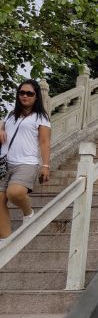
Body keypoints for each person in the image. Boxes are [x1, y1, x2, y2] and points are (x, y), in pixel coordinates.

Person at [0, 80, 51, 238]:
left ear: (36, 96)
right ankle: (6, 242)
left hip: (26, 163)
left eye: (29, 93)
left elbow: (44, 142)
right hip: (4, 162)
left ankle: (29, 214)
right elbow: (2, 124)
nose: (25, 96)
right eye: (21, 92)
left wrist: (45, 165)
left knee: (15, 193)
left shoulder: (41, 117)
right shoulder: (10, 114)